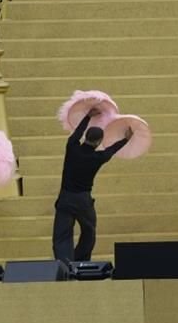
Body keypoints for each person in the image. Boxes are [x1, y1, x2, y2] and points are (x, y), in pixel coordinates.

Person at [52, 108, 131, 263]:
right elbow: (111, 150)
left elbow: (76, 134)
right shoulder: (98, 157)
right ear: (99, 142)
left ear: (86, 137)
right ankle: (81, 260)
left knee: (62, 234)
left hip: (65, 197)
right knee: (89, 231)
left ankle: (64, 264)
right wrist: (125, 139)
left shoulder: (72, 147)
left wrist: (88, 116)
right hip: (83, 200)